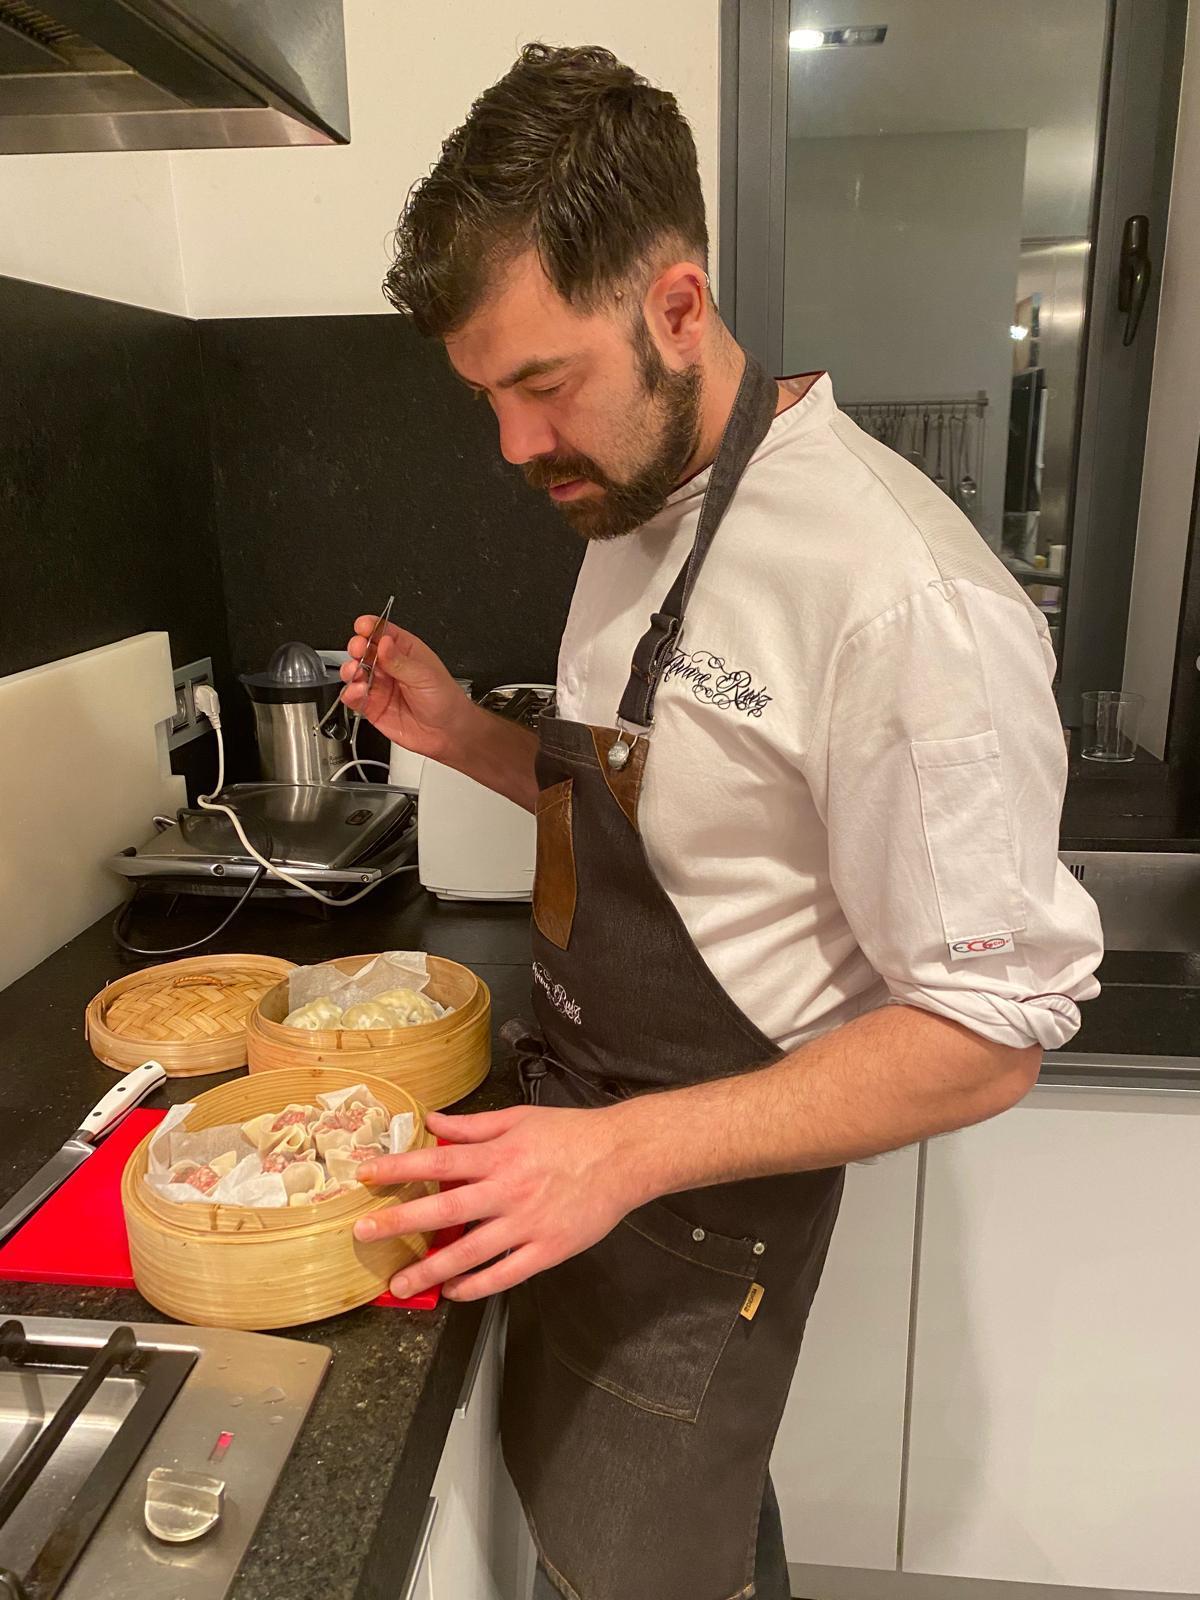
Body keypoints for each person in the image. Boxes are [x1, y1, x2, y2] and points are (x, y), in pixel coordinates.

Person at [338, 43, 1103, 1600]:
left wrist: (616, 1157)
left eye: (542, 386)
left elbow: (990, 1034)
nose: (514, 448)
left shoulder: (902, 598)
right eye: (487, 398)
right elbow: (668, 817)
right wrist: (466, 734)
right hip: (581, 1139)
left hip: (692, 1216)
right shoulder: (633, 496)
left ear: (678, 307)